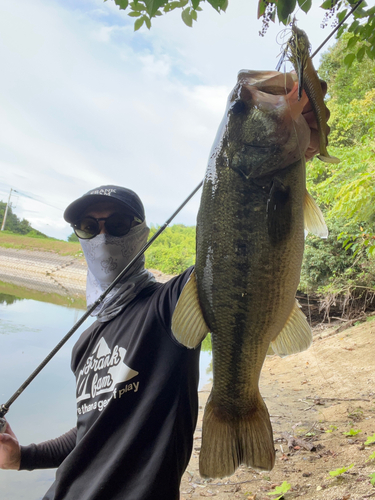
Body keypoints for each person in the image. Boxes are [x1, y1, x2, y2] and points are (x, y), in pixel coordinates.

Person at [0, 84, 328, 499]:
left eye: (116, 225)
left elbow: (233, 260)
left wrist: (295, 145)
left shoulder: (165, 308)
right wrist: (21, 457)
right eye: (88, 226)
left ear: (140, 234)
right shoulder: (84, 342)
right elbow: (91, 430)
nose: (102, 235)